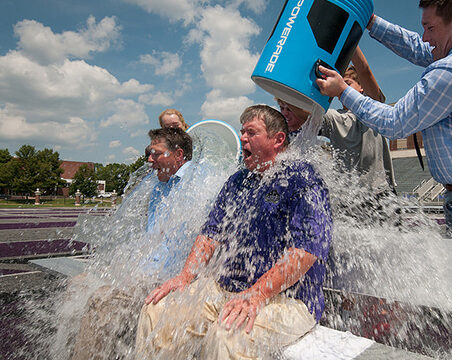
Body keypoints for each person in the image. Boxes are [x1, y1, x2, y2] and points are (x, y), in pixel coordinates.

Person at [316, 0, 452, 243]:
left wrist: (342, 92)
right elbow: (418, 47)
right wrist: (370, 22)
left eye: (430, 28)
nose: (425, 37)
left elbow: (395, 122)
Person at [135, 105, 333, 359]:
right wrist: (184, 277)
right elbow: (210, 234)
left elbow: (304, 252)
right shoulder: (238, 181)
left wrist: (257, 294)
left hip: (287, 299)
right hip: (226, 290)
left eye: (251, 132)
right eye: (242, 132)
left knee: (228, 335)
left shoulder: (303, 179)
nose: (242, 138)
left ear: (278, 139)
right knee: (157, 309)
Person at [70, 127, 194, 360]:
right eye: (149, 152)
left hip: (166, 280)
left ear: (178, 155)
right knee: (77, 284)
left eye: (155, 153)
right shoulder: (159, 186)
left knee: (103, 301)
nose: (149, 159)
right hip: (143, 272)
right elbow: (151, 239)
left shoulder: (198, 179)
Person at [278, 47, 395, 193]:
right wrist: (283, 91)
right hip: (350, 196)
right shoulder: (335, 118)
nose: (342, 86)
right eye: (340, 83)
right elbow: (305, 114)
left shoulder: (374, 109)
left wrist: (351, 37)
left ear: (362, 88)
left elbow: (364, 69)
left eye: (347, 83)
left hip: (382, 193)